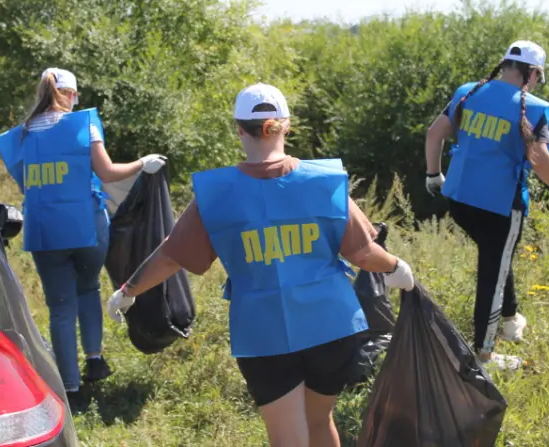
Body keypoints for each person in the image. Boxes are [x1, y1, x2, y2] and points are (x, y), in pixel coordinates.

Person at [106, 83, 415, 447]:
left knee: (288, 439)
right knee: (318, 422)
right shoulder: (324, 180)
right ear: (285, 125)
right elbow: (363, 252)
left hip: (262, 331)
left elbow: (172, 255)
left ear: (239, 129)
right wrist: (397, 268)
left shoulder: (217, 192)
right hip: (332, 325)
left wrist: (129, 291)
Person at [0, 67, 165, 403]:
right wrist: (142, 162)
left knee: (59, 306)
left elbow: (26, 184)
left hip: (44, 229)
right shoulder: (83, 124)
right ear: (70, 94)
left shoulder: (22, 135)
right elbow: (107, 172)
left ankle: (69, 387)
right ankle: (94, 360)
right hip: (86, 224)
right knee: (87, 289)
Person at [424, 41, 549, 371]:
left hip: (459, 199)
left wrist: (433, 174)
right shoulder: (532, 109)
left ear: (505, 66)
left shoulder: (468, 93)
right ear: (532, 73)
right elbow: (540, 161)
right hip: (499, 206)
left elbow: (434, 134)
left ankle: (510, 319)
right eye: (538, 75)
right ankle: (484, 356)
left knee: (497, 257)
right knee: (492, 274)